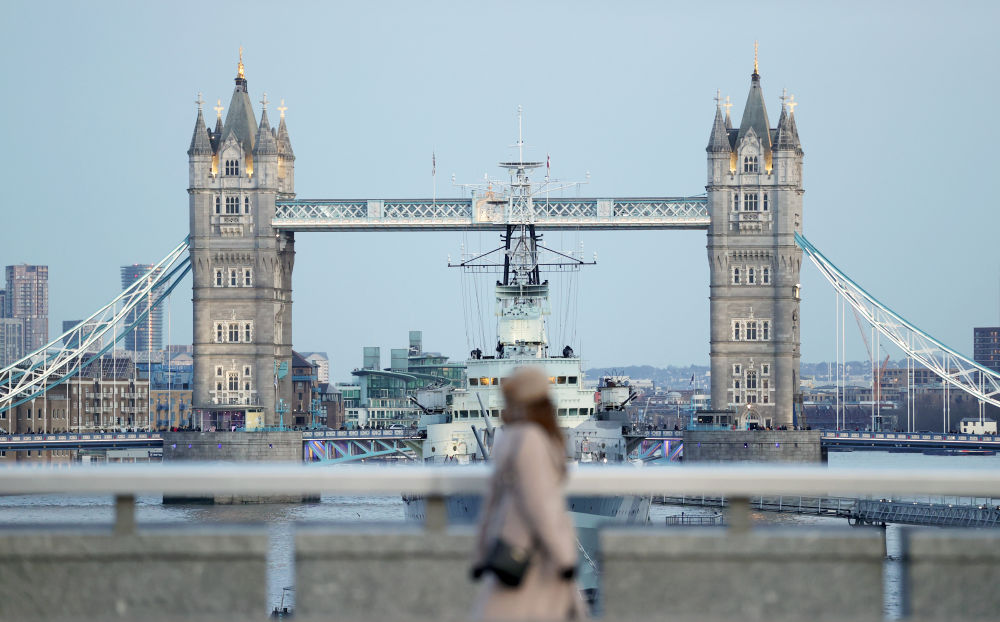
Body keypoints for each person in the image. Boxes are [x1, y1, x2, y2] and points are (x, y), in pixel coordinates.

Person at [471, 366, 585, 621]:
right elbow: (540, 504)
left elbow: (491, 503)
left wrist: (480, 555)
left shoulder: (507, 438)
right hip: (537, 554)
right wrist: (565, 558)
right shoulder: (533, 438)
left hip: (509, 550)